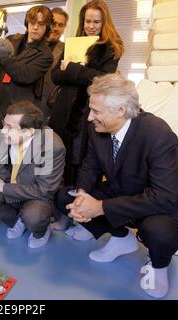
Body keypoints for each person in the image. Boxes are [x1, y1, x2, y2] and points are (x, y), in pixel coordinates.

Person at [54, 73, 178, 298]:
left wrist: (100, 207)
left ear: (121, 110)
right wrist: (82, 195)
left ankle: (158, 266)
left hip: (161, 204)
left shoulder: (158, 133)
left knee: (159, 232)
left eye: (96, 111)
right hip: (121, 191)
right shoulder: (98, 130)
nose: (90, 117)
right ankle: (121, 239)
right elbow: (90, 168)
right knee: (66, 196)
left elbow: (164, 197)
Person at [49, 0, 124, 186]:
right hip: (63, 109)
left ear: (104, 22)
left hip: (87, 113)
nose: (90, 26)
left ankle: (80, 204)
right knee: (57, 157)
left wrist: (73, 68)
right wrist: (83, 73)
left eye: (96, 22)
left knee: (81, 162)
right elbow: (56, 75)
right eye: (87, 21)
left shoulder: (112, 47)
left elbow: (102, 79)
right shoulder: (73, 44)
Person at [0, 101, 65, 249]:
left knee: (33, 217)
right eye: (5, 124)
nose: (4, 131)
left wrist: (4, 188)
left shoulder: (52, 147)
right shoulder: (9, 136)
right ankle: (19, 220)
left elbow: (44, 191)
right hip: (14, 184)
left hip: (38, 196)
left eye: (10, 127)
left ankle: (41, 231)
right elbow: (1, 166)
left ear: (29, 131)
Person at [0, 5, 54, 125]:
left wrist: (3, 54)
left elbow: (24, 75)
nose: (35, 27)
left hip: (17, 114)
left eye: (41, 24)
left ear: (47, 27)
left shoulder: (46, 55)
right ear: (27, 22)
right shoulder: (12, 39)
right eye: (33, 22)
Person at [41, 7, 69, 120]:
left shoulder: (68, 49)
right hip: (25, 104)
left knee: (46, 138)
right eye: (53, 23)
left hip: (49, 109)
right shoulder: (31, 44)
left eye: (60, 25)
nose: (56, 28)